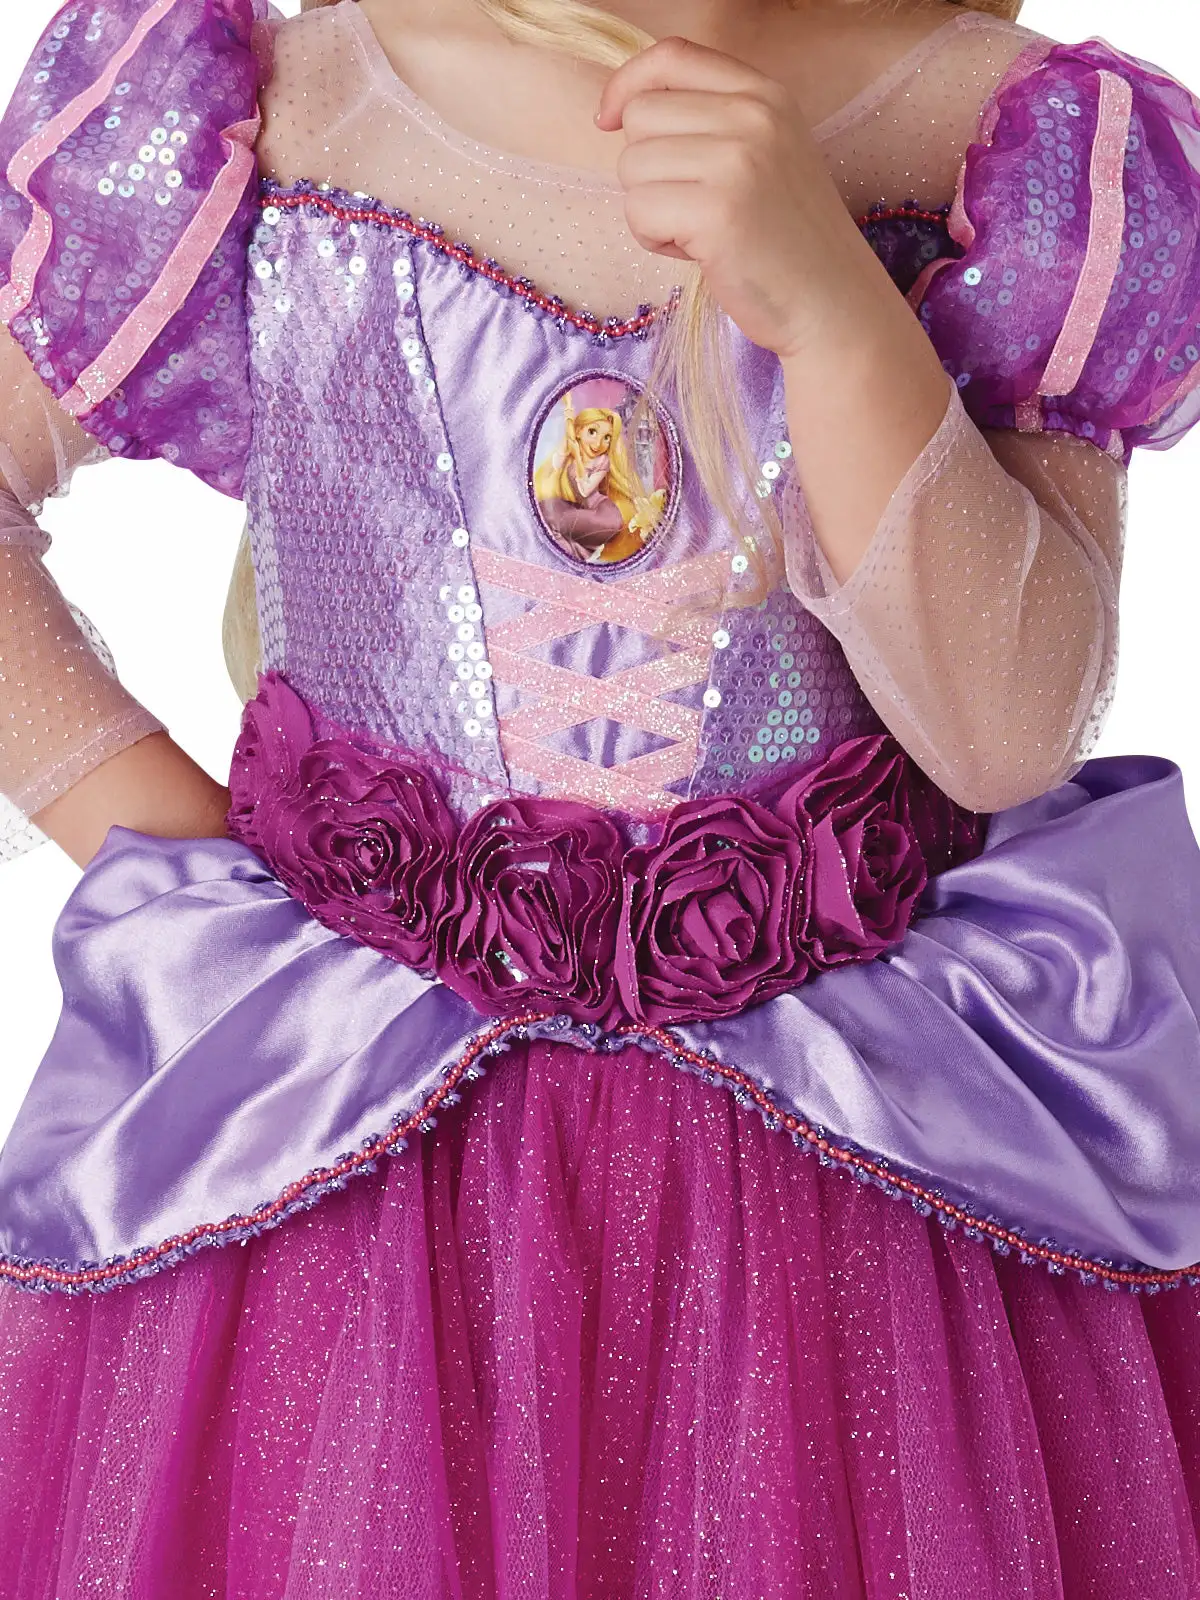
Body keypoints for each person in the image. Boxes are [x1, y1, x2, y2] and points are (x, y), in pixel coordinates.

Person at [2, 0, 1200, 1589]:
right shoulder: (281, 105)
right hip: (344, 1201)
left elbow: (1006, 733)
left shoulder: (1007, 147)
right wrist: (172, 853)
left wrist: (838, 318)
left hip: (849, 1230)